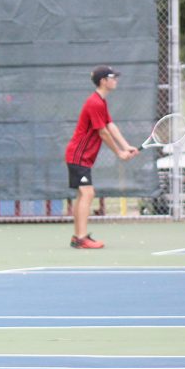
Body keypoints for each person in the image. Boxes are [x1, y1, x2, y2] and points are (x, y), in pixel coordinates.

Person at [64, 65, 138, 249]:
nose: (116, 80)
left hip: (82, 157)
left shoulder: (101, 101)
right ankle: (81, 238)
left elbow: (110, 125)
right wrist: (119, 153)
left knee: (83, 194)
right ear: (103, 81)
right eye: (113, 77)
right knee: (87, 193)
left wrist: (126, 146)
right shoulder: (95, 103)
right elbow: (103, 132)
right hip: (78, 156)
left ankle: (78, 237)